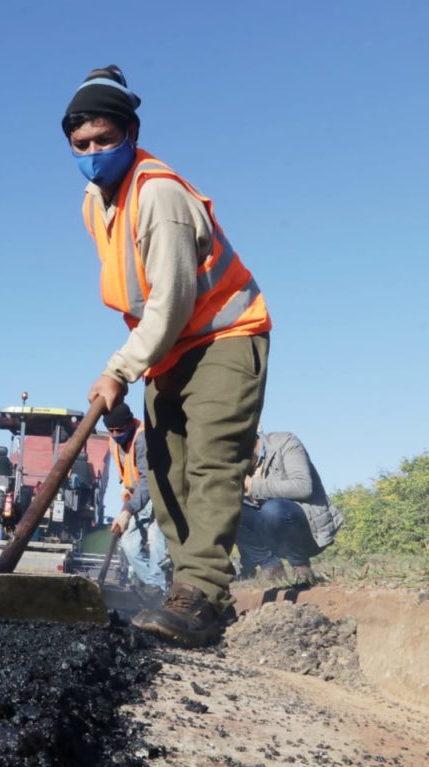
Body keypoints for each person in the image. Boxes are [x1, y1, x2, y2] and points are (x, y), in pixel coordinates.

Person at [65, 65, 272, 647]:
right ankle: (187, 590)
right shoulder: (95, 202)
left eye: (105, 140)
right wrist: (136, 365)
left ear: (131, 133)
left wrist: (118, 369)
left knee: (209, 462)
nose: (93, 152)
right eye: (82, 144)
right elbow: (139, 295)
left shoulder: (158, 194)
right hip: (170, 349)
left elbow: (173, 298)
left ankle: (201, 594)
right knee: (164, 474)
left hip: (223, 336)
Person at [237, 431, 343, 584]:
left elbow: (303, 487)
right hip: (269, 534)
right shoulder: (233, 463)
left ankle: (300, 566)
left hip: (306, 529)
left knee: (272, 510)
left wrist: (253, 486)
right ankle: (271, 566)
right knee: (224, 511)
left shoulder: (285, 443)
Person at [104, 403, 168, 599]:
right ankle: (153, 586)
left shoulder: (143, 438)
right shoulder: (113, 440)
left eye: (120, 430)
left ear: (130, 423)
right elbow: (128, 475)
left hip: (159, 492)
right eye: (111, 430)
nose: (115, 434)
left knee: (156, 537)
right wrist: (125, 490)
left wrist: (127, 511)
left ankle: (158, 589)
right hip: (137, 495)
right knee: (129, 543)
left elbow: (148, 480)